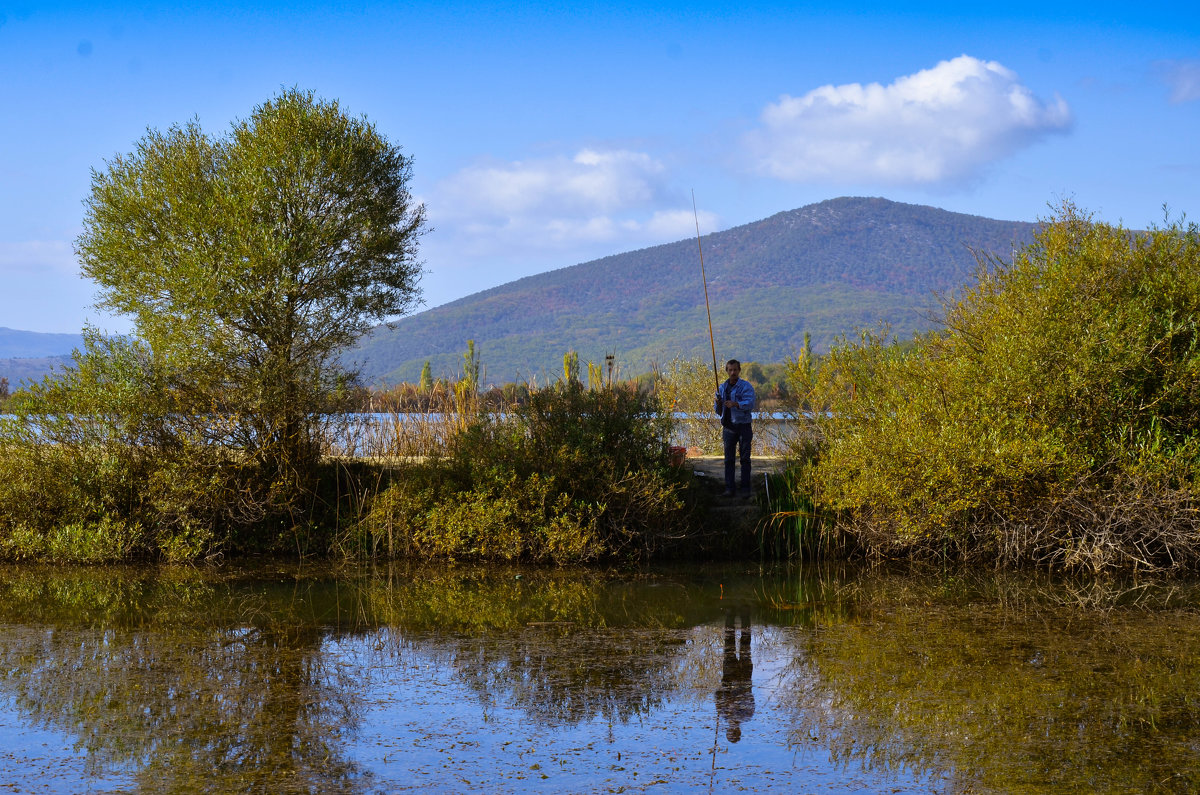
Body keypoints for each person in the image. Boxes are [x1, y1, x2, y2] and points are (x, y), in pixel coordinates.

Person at [714, 359, 755, 498]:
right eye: (730, 370)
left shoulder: (746, 386)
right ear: (727, 371)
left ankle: (745, 489)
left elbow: (750, 403)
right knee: (728, 460)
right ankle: (729, 488)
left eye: (735, 370)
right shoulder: (721, 388)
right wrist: (719, 404)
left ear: (739, 371)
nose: (733, 373)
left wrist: (736, 404)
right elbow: (718, 411)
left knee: (745, 459)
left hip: (743, 426)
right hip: (728, 428)